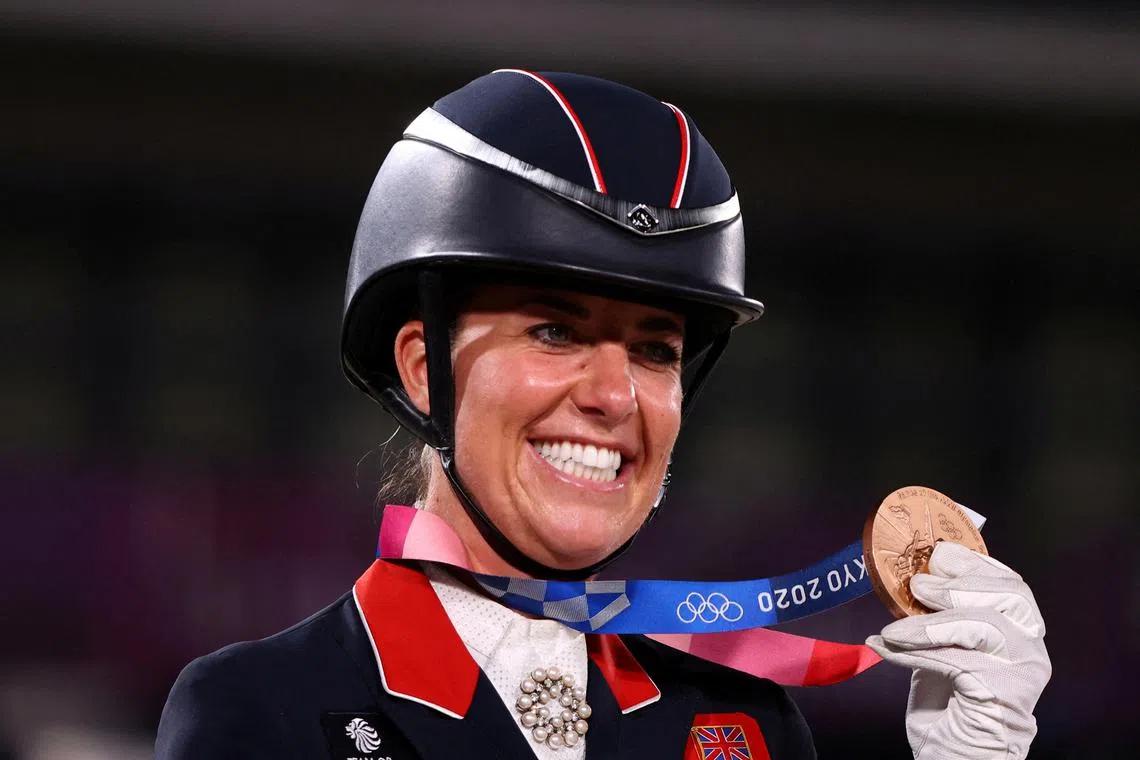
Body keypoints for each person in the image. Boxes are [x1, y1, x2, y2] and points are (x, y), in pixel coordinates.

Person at [156, 70, 1050, 760]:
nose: (615, 396)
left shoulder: (748, 723)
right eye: (554, 330)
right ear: (426, 373)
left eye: (656, 350)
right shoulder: (262, 710)